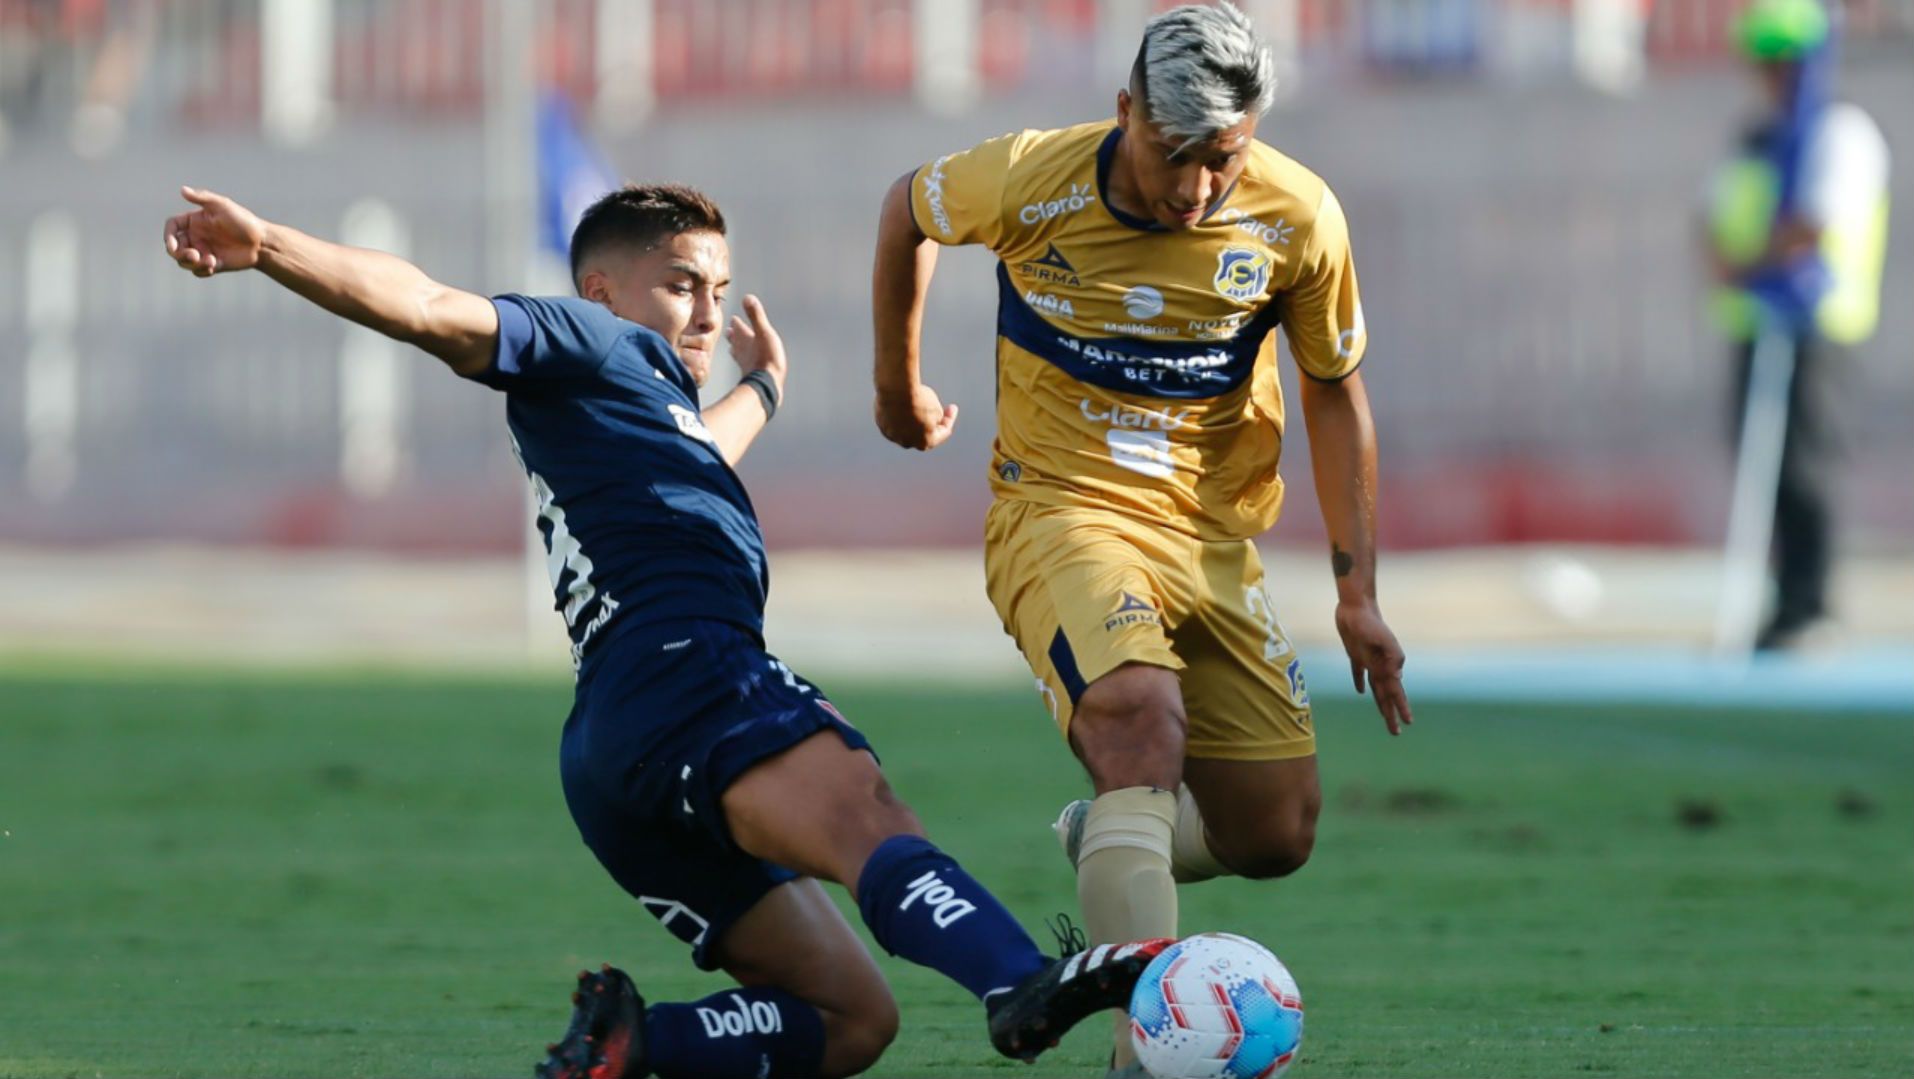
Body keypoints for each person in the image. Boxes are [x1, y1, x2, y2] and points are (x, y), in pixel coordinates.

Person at [162, 182, 1169, 1079]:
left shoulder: (637, 403)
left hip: (612, 748)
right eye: (683, 282)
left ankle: (629, 1046)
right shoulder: (592, 340)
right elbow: (430, 306)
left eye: (720, 289)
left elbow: (703, 448)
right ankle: (1017, 982)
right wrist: (273, 247)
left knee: (851, 1018)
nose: (707, 308)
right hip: (690, 672)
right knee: (868, 814)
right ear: (601, 291)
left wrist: (764, 388)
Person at [871, 5, 1412, 1073]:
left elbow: (1336, 391)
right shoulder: (1033, 179)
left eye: (1225, 159)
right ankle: (1142, 1047)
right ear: (1126, 112)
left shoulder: (1298, 218)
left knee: (1274, 830)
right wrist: (897, 388)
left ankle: (1117, 830)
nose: (1197, 188)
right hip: (1058, 511)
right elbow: (906, 211)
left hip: (1209, 539)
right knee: (1136, 713)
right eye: (1177, 157)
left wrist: (1359, 592)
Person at [1703, 0, 1891, 652]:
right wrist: (1733, 265)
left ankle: (1812, 604)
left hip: (1818, 328)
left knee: (1808, 467)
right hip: (1756, 323)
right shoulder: (1756, 139)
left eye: (1780, 60)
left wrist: (1756, 263)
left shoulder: (1839, 134)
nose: (1769, 73)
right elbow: (1716, 219)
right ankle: (1782, 601)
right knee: (1764, 468)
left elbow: (1813, 225)